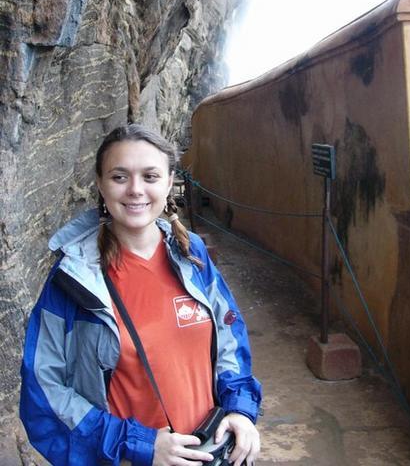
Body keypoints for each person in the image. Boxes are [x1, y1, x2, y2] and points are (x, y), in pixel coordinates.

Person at [20, 124, 262, 466]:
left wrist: (239, 409)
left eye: (150, 176)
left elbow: (229, 336)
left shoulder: (189, 253)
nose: (135, 190)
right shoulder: (72, 280)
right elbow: (43, 390)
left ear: (168, 181)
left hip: (207, 450)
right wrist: (138, 444)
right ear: (101, 185)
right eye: (120, 177)